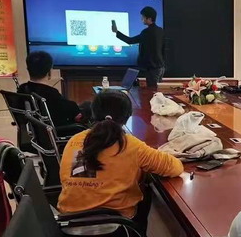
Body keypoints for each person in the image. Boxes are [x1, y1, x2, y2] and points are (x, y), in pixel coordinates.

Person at [58, 90, 183, 226]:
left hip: (68, 222)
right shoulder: (132, 145)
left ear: (93, 113)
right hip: (114, 226)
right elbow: (175, 168)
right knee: (145, 190)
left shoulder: (74, 140)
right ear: (127, 117)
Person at [18, 51, 85, 130]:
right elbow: (74, 112)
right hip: (59, 132)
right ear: (49, 71)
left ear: (28, 69)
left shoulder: (21, 90)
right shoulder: (52, 94)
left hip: (35, 133)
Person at [111, 6, 166, 88]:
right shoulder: (160, 30)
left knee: (152, 90)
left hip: (152, 68)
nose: (141, 19)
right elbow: (163, 48)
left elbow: (130, 41)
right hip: (160, 67)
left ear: (149, 18)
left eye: (143, 17)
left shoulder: (146, 32)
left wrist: (116, 32)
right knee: (157, 90)